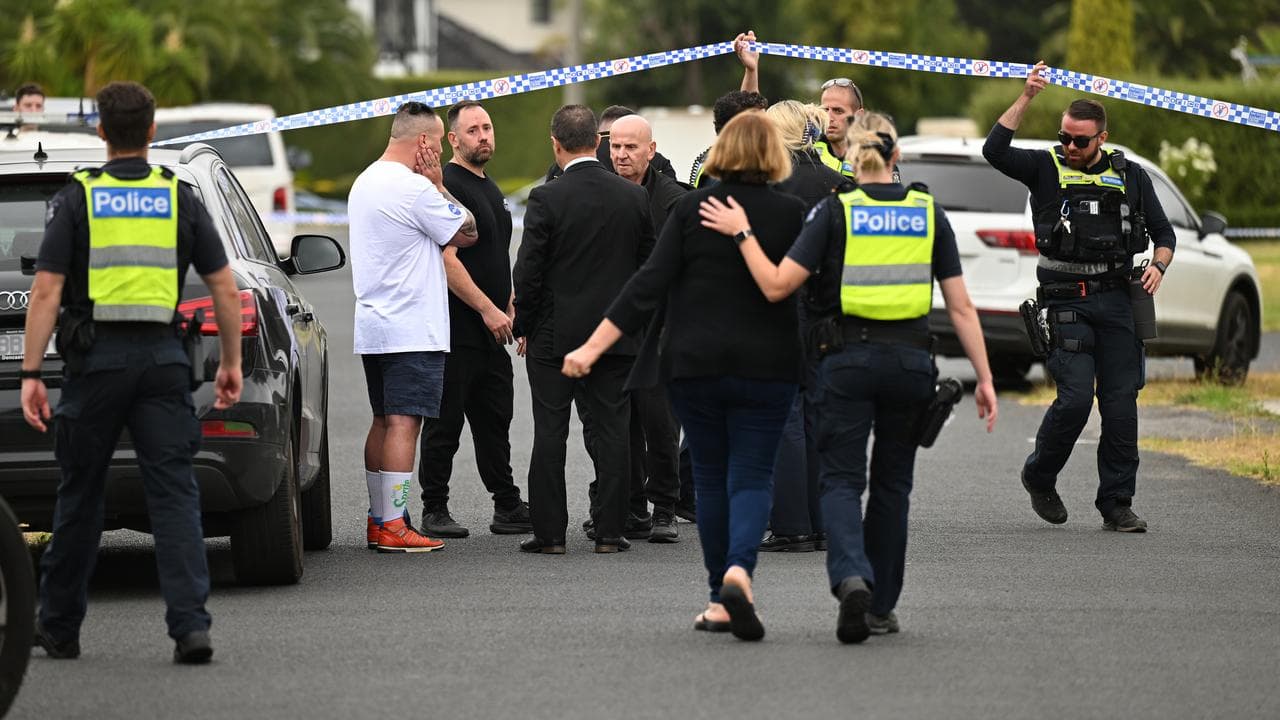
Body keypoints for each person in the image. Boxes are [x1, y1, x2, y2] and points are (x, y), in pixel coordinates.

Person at [700, 111, 998, 643]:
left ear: (850, 155)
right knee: (893, 486)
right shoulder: (929, 212)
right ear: (897, 156)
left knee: (840, 480)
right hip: (911, 366)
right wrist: (986, 379)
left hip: (845, 363)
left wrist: (742, 233)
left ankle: (850, 577)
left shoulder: (834, 212)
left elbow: (775, 285)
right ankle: (880, 606)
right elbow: (961, 308)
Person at [20, 81, 243, 663]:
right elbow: (223, 286)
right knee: (173, 495)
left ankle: (61, 627)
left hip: (95, 366)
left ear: (100, 131)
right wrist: (232, 364)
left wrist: (31, 374)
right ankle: (191, 628)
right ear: (150, 131)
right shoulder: (177, 194)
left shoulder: (78, 197)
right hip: (163, 364)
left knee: (80, 497)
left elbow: (45, 292)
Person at [564, 110, 806, 641]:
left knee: (714, 479)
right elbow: (811, 293)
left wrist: (593, 345)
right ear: (773, 153)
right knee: (751, 476)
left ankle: (721, 596)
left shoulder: (694, 206)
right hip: (768, 366)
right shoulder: (794, 214)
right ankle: (740, 570)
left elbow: (647, 284)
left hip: (694, 366)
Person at [984, 62, 1175, 533]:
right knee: (1073, 401)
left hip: (1116, 301)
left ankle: (1117, 503)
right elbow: (995, 150)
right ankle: (1039, 475)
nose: (1069, 147)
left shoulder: (1131, 176)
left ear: (1101, 139)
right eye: (1065, 137)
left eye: (1080, 141)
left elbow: (1164, 233)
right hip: (1064, 300)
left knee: (1119, 405)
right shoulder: (1044, 168)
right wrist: (1027, 96)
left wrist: (1158, 265)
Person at [512, 104, 655, 554]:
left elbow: (528, 272)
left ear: (555, 144)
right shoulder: (634, 198)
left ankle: (551, 534)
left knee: (550, 432)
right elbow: (647, 267)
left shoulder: (546, 198)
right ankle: (611, 532)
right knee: (614, 431)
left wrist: (524, 325)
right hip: (614, 336)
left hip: (555, 336)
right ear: (600, 141)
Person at [349, 101, 478, 553]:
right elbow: (467, 232)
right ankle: (393, 526)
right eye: (440, 140)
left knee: (383, 421)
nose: (441, 149)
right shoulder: (414, 188)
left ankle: (380, 517)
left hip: (374, 322)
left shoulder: (365, 181)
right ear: (423, 141)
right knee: (406, 423)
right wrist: (441, 186)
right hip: (411, 325)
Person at [416, 100, 533, 539]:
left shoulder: (490, 186)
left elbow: (493, 256)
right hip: (456, 329)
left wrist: (511, 305)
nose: (484, 136)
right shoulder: (446, 186)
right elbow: (448, 260)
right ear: (453, 140)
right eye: (473, 131)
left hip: (494, 330)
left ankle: (507, 506)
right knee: (445, 424)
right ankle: (434, 509)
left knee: (495, 422)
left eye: (487, 128)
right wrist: (486, 309)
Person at [758, 100, 853, 553]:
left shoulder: (770, 185)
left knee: (785, 416)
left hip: (782, 306)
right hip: (833, 313)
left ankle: (792, 523)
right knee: (820, 416)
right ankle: (821, 523)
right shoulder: (842, 184)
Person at [606, 114, 687, 543]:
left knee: (659, 421)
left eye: (630, 147)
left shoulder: (673, 199)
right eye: (616, 147)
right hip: (617, 326)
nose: (621, 155)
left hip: (660, 328)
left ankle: (665, 510)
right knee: (620, 423)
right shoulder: (607, 192)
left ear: (650, 151)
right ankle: (632, 506)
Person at [735, 30, 859, 178]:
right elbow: (753, 120)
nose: (829, 117)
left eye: (838, 111)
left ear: (858, 116)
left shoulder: (873, 156)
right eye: (825, 109)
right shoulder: (807, 141)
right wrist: (751, 70)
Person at [543, 105, 678, 183]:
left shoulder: (565, 165)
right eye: (613, 143)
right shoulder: (658, 163)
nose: (621, 154)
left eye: (630, 145)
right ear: (598, 140)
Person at [687, 90, 769, 189]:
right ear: (734, 131)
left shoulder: (715, 166)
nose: (769, 131)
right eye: (760, 124)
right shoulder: (724, 181)